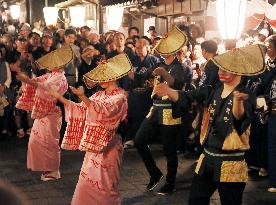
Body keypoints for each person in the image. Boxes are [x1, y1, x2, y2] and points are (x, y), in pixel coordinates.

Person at [153, 44, 265, 205]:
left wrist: (238, 102)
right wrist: (169, 91)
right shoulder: (211, 90)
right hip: (207, 157)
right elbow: (188, 96)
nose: (221, 72)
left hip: (231, 163)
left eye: (227, 69)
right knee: (196, 200)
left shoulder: (247, 94)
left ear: (238, 71)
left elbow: (239, 120)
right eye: (220, 68)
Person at [49, 53, 129, 205]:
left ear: (115, 76)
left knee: (106, 184)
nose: (102, 80)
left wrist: (83, 97)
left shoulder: (120, 96)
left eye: (106, 75)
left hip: (110, 144)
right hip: (93, 144)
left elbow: (104, 110)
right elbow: (82, 109)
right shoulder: (98, 94)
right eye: (101, 76)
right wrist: (62, 98)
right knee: (87, 183)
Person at [134, 26, 188, 195]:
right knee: (139, 140)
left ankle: (170, 181)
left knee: (169, 149)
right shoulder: (159, 63)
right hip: (155, 107)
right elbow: (146, 76)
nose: (164, 50)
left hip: (170, 110)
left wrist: (164, 73)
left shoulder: (181, 67)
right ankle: (155, 173)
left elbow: (178, 86)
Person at [11, 46, 71, 181]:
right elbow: (38, 82)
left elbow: (46, 88)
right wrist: (26, 80)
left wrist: (27, 81)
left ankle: (54, 171)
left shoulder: (60, 77)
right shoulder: (51, 75)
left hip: (52, 112)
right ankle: (46, 168)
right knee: (36, 141)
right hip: (44, 113)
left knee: (50, 142)